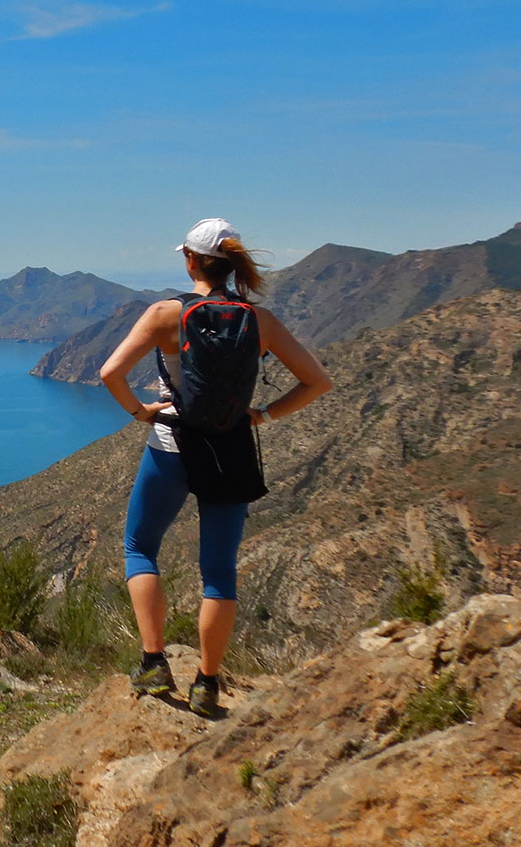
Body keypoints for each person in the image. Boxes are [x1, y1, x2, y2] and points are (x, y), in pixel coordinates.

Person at [96, 218, 332, 715]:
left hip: (172, 445)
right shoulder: (259, 320)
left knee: (140, 546)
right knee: (219, 572)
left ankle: (154, 664)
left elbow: (109, 373)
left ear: (190, 260)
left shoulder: (165, 315)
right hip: (231, 451)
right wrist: (263, 414)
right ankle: (208, 684)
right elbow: (316, 382)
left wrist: (141, 413)